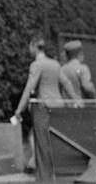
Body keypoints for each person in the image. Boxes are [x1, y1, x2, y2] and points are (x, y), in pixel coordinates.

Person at [12, 37, 75, 170]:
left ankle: (36, 164)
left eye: (30, 46)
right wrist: (76, 100)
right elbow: (66, 83)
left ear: (34, 46)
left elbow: (29, 87)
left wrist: (19, 109)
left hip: (44, 106)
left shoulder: (36, 65)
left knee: (36, 136)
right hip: (59, 105)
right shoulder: (55, 64)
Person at [59, 40, 96, 105]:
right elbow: (87, 87)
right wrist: (94, 98)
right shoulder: (83, 68)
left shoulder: (61, 69)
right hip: (79, 106)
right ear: (79, 53)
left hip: (65, 106)